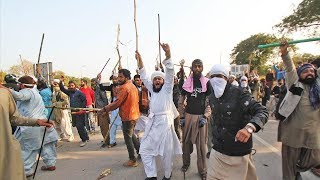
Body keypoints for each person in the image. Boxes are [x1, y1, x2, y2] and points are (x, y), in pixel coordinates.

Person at [207, 64, 268, 180]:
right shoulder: (212, 97)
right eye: (212, 77)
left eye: (219, 76)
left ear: (226, 78)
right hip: (218, 151)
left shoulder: (240, 93)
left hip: (238, 154)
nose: (215, 80)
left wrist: (249, 128)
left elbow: (262, 111)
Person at [136, 43, 182, 180]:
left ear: (163, 81)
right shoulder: (152, 91)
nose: (157, 80)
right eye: (155, 79)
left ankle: (167, 176)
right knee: (144, 150)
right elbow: (144, 77)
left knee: (166, 155)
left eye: (159, 79)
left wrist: (168, 54)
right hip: (153, 123)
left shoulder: (167, 89)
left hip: (166, 125)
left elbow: (169, 73)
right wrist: (140, 61)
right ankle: (151, 176)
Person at [277, 42, 320, 180]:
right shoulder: (295, 84)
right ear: (300, 74)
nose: (310, 73)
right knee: (288, 168)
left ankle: (296, 169)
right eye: (306, 71)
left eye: (312, 71)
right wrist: (285, 53)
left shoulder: (317, 87)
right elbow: (290, 68)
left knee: (315, 158)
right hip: (292, 133)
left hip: (313, 133)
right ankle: (292, 173)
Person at [0, 85, 55, 180]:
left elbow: (14, 118)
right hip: (32, 129)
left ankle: (28, 170)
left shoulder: (4, 94)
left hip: (6, 146)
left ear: (22, 85)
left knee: (30, 148)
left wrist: (37, 122)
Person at [9, 75, 59, 177]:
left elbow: (20, 96)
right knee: (45, 145)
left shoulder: (27, 91)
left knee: (27, 148)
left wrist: (6, 90)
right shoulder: (36, 92)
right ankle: (50, 163)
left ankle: (26, 170)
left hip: (32, 125)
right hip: (43, 123)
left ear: (22, 85)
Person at [98, 68, 140, 167]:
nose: (119, 79)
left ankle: (132, 160)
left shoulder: (124, 87)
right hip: (133, 115)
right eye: (118, 77)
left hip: (128, 116)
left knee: (128, 138)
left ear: (126, 77)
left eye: (121, 77)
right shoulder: (132, 86)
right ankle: (140, 151)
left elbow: (117, 103)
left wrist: (104, 109)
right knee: (131, 135)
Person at [178, 58, 212, 180]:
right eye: (195, 66)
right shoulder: (186, 83)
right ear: (191, 68)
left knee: (201, 147)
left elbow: (210, 102)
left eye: (199, 66)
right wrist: (181, 116)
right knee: (186, 145)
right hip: (187, 117)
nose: (197, 68)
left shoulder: (207, 83)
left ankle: (203, 171)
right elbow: (181, 101)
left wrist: (206, 116)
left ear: (202, 68)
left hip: (200, 119)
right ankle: (186, 164)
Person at [59, 78, 89, 147]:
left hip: (79, 112)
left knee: (79, 126)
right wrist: (61, 82)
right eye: (70, 86)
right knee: (78, 126)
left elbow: (84, 101)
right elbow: (63, 89)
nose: (71, 87)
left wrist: (81, 109)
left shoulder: (80, 93)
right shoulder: (70, 92)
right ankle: (86, 137)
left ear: (75, 86)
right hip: (73, 112)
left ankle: (84, 140)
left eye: (72, 85)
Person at [97, 73, 122, 148]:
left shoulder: (124, 86)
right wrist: (99, 80)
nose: (115, 80)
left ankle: (131, 140)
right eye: (113, 79)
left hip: (122, 106)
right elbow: (102, 88)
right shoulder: (111, 86)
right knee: (112, 124)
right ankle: (112, 141)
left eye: (116, 78)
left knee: (124, 126)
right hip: (114, 106)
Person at [91, 78, 110, 144]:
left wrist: (105, 110)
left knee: (104, 126)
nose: (92, 84)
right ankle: (105, 139)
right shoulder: (96, 90)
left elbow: (105, 100)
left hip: (103, 110)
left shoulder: (100, 89)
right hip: (99, 110)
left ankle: (107, 141)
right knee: (102, 127)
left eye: (93, 82)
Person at [133, 74, 150, 139]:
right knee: (145, 125)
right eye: (137, 80)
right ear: (134, 81)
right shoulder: (133, 89)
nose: (139, 81)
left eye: (140, 80)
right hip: (136, 111)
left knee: (139, 127)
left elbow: (148, 99)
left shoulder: (145, 89)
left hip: (144, 110)